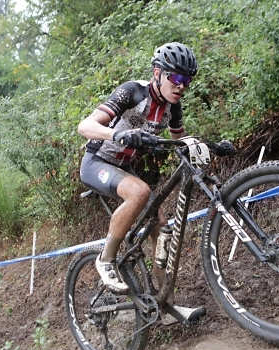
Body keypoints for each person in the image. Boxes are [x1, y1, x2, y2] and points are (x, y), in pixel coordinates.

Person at [78, 42, 206, 325]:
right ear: (158, 73)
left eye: (187, 81)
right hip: (97, 162)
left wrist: (205, 147)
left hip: (126, 168)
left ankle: (166, 306)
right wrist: (118, 136)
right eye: (176, 78)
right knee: (140, 192)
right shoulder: (132, 91)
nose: (182, 86)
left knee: (161, 230)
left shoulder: (173, 107)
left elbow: (180, 143)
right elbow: (85, 127)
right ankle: (106, 259)